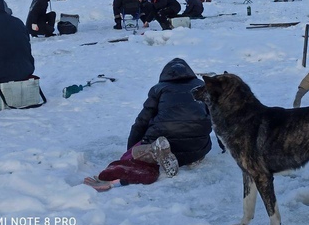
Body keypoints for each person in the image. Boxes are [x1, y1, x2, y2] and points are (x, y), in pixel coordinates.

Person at [83, 58, 212, 191]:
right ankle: (192, 158)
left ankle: (151, 152)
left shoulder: (159, 89)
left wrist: (132, 150)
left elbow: (142, 121)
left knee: (136, 157)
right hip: (198, 147)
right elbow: (214, 117)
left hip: (167, 139)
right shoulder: (202, 86)